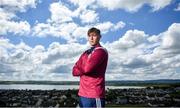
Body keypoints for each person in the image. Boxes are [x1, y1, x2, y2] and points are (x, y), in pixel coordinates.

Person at [72, 27, 108, 107]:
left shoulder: (100, 51)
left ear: (99, 37)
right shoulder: (86, 52)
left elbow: (87, 69)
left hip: (94, 95)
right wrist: (83, 66)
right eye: (89, 36)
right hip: (82, 94)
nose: (91, 38)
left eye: (94, 35)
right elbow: (74, 71)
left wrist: (81, 66)